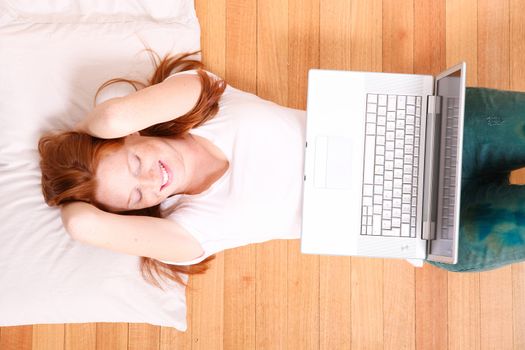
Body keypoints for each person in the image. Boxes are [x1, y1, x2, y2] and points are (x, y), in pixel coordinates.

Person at [38, 50, 306, 290]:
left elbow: (112, 117)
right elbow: (81, 224)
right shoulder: (185, 231)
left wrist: (79, 135)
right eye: (136, 197)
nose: (151, 181)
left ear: (131, 133)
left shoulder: (199, 105)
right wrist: (73, 197)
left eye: (136, 163)